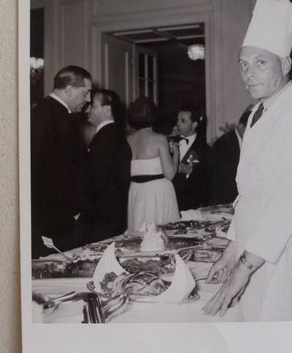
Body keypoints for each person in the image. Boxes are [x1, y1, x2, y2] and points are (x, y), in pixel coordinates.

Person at [203, 0, 292, 321]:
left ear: (286, 64)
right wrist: (232, 249)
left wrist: (243, 268)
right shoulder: (257, 114)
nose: (248, 74)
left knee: (287, 344)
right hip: (260, 246)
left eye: (260, 63)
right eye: (243, 64)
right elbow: (251, 193)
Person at [31, 65, 92, 257]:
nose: (88, 99)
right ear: (69, 89)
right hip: (56, 218)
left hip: (56, 214)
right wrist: (73, 210)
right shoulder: (51, 116)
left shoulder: (46, 112)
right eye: (86, 92)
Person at [126, 96, 180, 232]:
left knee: (139, 233)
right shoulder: (159, 139)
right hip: (157, 193)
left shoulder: (128, 140)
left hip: (136, 191)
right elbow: (170, 174)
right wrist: (176, 153)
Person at [85, 89, 132, 242]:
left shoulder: (105, 137)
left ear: (107, 109)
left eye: (93, 105)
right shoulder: (115, 134)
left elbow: (97, 180)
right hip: (114, 213)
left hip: (103, 215)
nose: (88, 109)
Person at [208, 107, 252, 205]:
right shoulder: (225, 144)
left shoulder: (240, 141)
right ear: (240, 126)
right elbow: (222, 180)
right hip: (224, 200)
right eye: (250, 129)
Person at [171, 104, 209, 211]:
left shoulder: (204, 149)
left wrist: (189, 173)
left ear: (194, 124)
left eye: (183, 121)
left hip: (190, 205)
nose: (178, 124)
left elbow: (206, 182)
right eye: (178, 119)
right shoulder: (167, 143)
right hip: (168, 200)